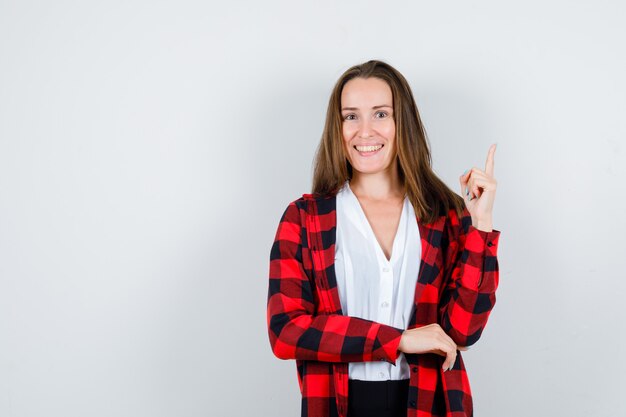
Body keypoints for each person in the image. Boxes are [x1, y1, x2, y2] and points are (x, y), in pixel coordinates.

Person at [266, 59, 501, 417]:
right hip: (338, 405)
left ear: (401, 121)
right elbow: (286, 331)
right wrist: (398, 339)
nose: (364, 131)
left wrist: (480, 225)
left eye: (380, 114)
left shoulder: (445, 214)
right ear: (337, 126)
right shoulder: (305, 218)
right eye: (351, 116)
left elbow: (463, 331)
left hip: (427, 403)